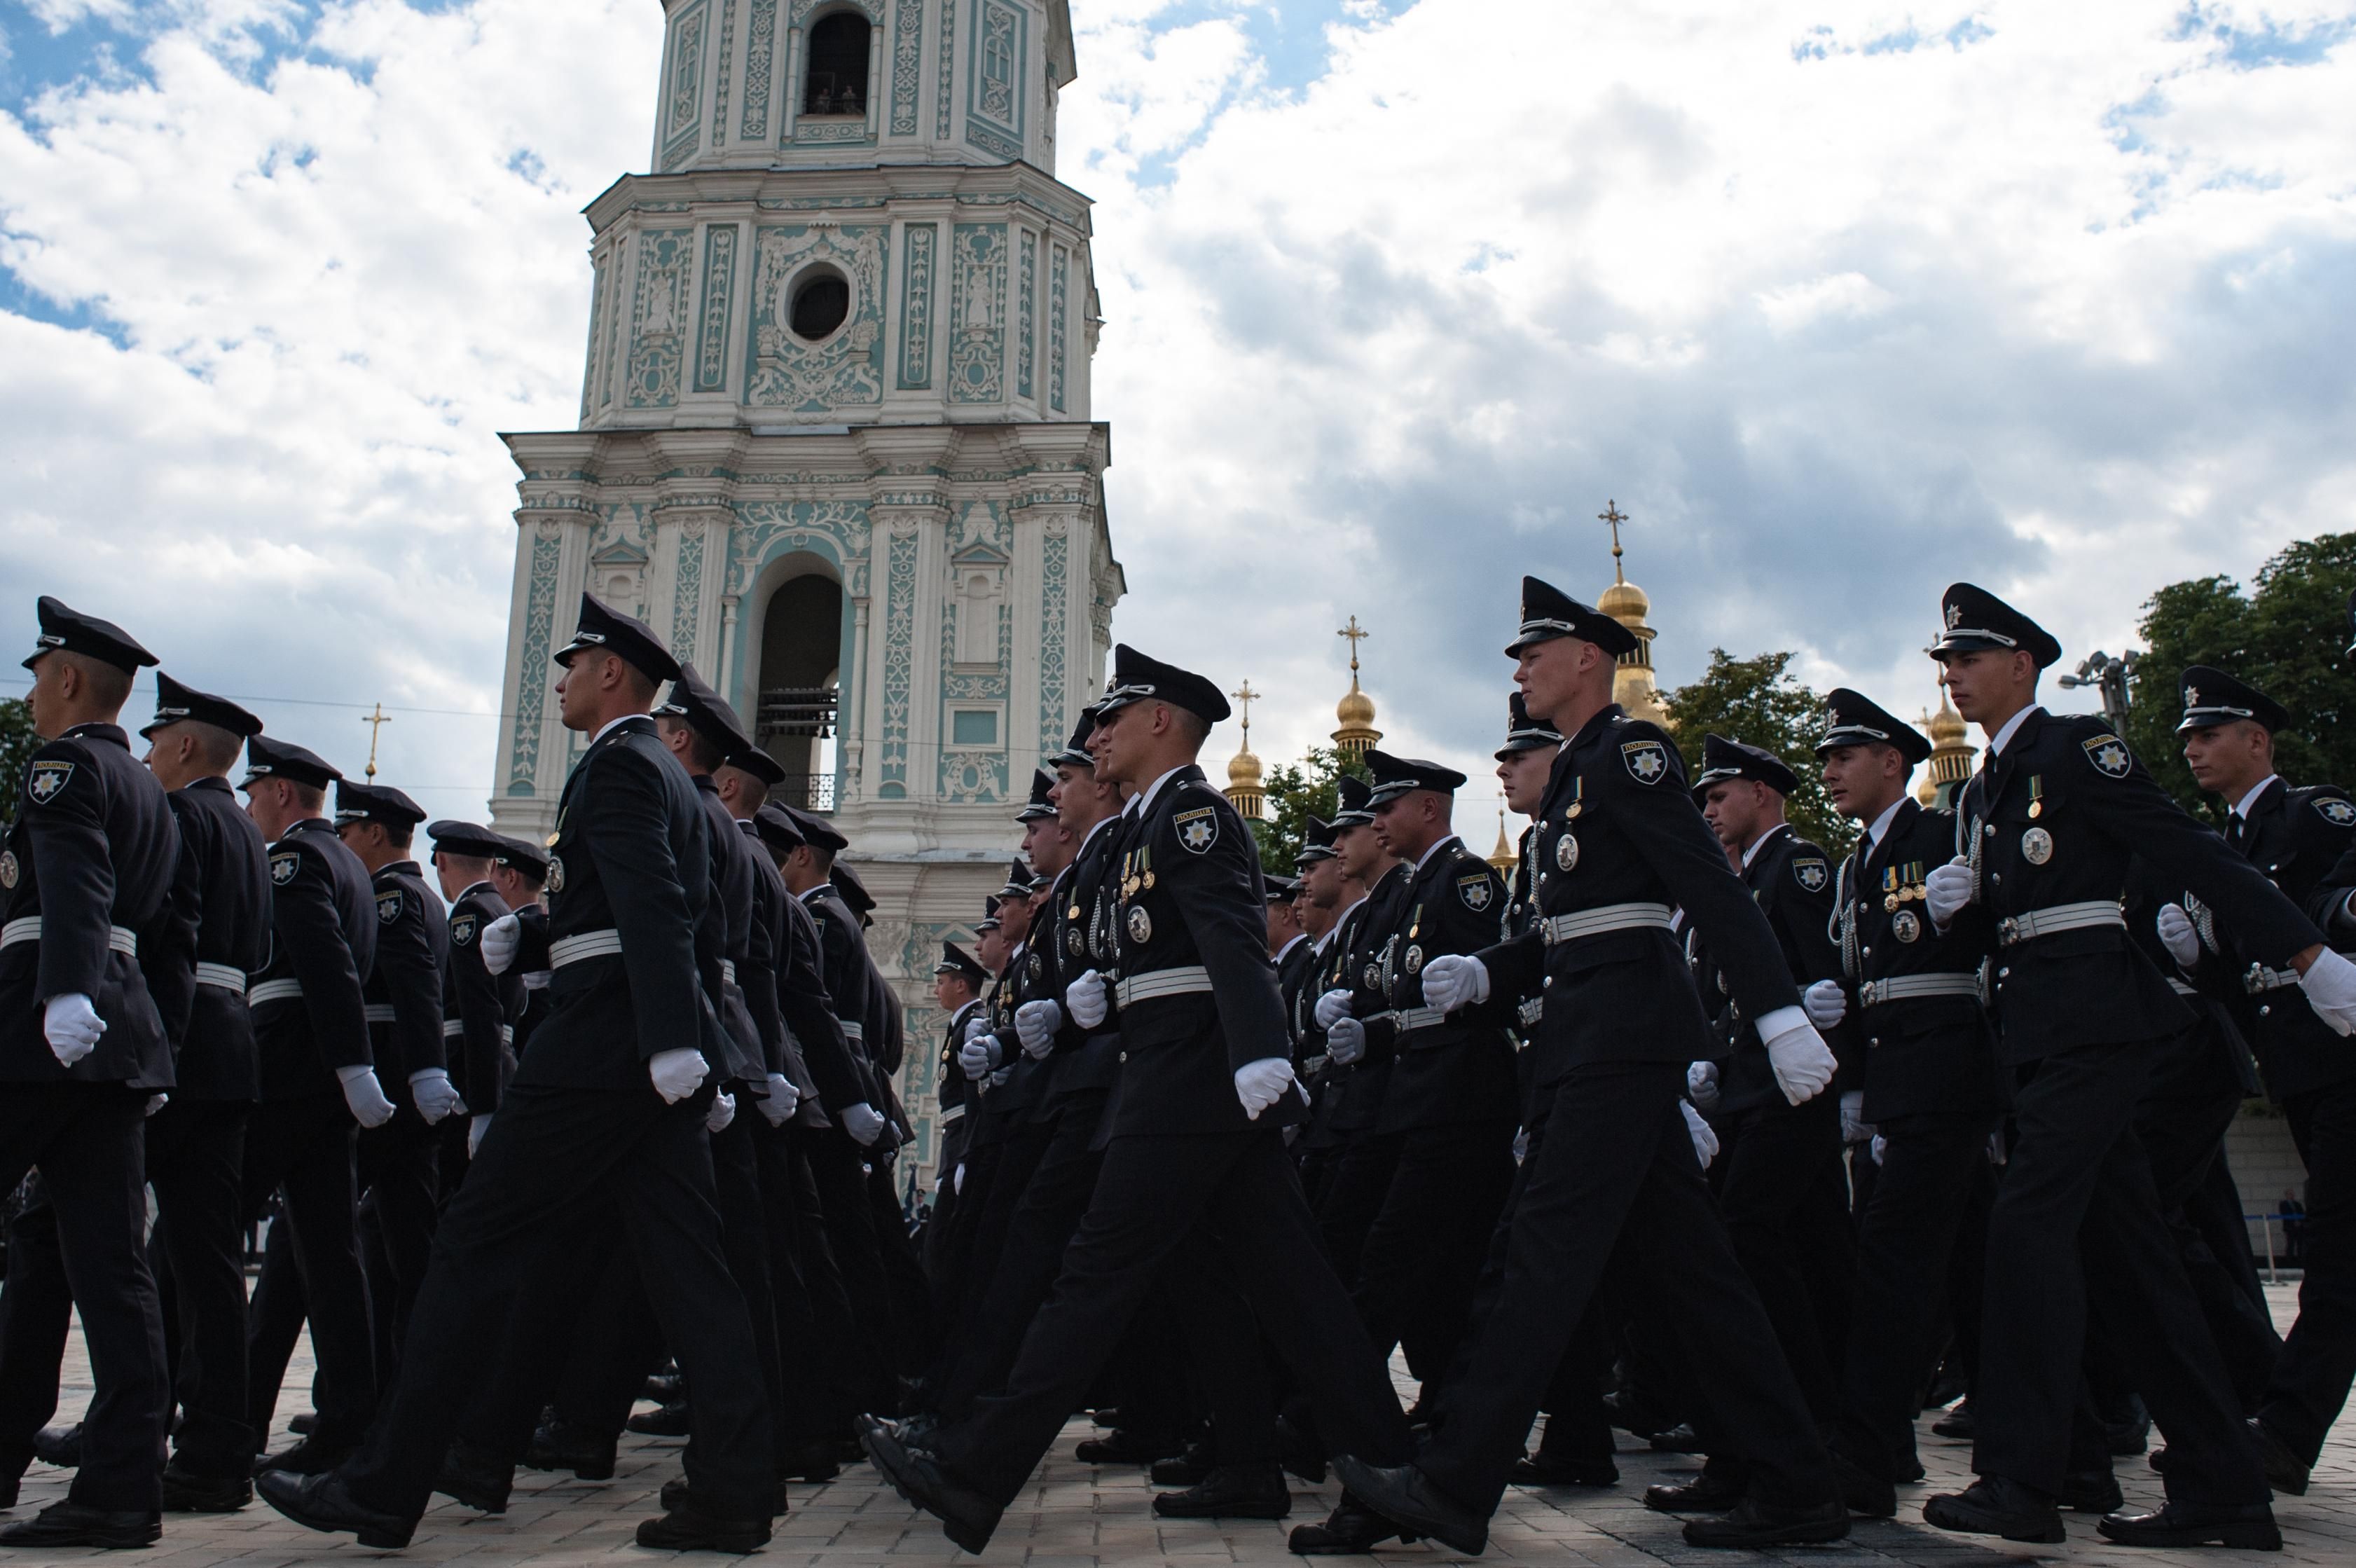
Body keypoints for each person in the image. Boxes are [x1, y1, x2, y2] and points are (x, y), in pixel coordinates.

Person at [857, 645, 1414, 1554]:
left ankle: (971, 1465)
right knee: (1291, 1292)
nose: (1099, 735)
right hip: (1171, 1080)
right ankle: (1348, 1468)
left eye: (1113, 719)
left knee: (1092, 1275)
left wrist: (1258, 1054)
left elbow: (1232, 942)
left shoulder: (1191, 815)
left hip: (1188, 1087)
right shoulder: (1142, 830)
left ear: (1161, 723)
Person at [1333, 577, 1849, 1553]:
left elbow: (1703, 884)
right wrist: (1482, 971)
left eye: (1532, 652)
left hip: (1619, 1035)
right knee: (1697, 1276)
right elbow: (1563, 926)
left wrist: (1780, 1014)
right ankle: (1792, 1478)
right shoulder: (1575, 774)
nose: (1519, 668)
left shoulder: (1631, 752)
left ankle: (1451, 1481)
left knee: (1533, 1256)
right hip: (1592, 1030)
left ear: (1585, 658)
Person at [256, 592, 776, 1553]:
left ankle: (384, 1482)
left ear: (611, 674)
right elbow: (681, 915)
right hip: (636, 1046)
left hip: (596, 1048)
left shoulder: (619, 768)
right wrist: (679, 1037)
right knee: (692, 1276)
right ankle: (734, 1486)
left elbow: (659, 908)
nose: (562, 679)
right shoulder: (663, 777)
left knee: (472, 1243)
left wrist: (672, 1039)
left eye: (573, 663)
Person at [1915, 583, 2356, 1550]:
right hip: (2041, 1031)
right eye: (1942, 665)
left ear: (2022, 664)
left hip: (2096, 1026)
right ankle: (2224, 1487)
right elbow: (2030, 902)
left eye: (1966, 659)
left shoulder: (2071, 747)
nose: (1950, 677)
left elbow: (2187, 850)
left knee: (2026, 1234)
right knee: (2135, 1264)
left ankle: (2020, 1480)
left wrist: (2307, 956)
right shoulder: (1988, 781)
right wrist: (1970, 900)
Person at [0, 599, 178, 1550]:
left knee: (107, 1267)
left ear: (68, 678)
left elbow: (70, 878)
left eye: (36, 674)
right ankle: (121, 1486)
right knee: (114, 1273)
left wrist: (64, 993)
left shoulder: (65, 765)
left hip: (43, 1023)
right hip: (117, 1041)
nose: (31, 692)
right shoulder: (148, 785)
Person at [1804, 689, 1999, 1510]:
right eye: (1826, 761)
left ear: (1894, 762)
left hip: (1949, 1076)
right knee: (1972, 1269)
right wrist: (1855, 1088)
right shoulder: (1857, 862)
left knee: (1893, 1267)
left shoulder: (1942, 834)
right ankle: (2079, 1452)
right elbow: (1863, 984)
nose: (1832, 773)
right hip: (1898, 1084)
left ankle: (1871, 1453)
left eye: (1845, 758)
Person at [2168, 665, 2356, 1496]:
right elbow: (2241, 977)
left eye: (2209, 734)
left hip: (2346, 1051)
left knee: (2340, 1256)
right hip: (2300, 1068)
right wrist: (2198, 956)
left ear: (2257, 742)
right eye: (2187, 738)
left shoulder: (2310, 814)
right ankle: (2276, 1416)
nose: (2193, 749)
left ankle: (2283, 1433)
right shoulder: (2225, 848)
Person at [1676, 733, 1859, 1492]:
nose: (1711, 811)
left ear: (1764, 794)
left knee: (1748, 1239)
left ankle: (1799, 1427)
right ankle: (1824, 1426)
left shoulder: (1799, 866)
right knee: (1815, 1255)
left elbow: (1830, 986)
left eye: (1721, 796)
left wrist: (1854, 1086)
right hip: (1749, 1091)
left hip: (1796, 1092)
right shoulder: (1745, 880)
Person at [235, 734, 386, 1472]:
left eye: (255, 790)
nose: (249, 803)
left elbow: (323, 968)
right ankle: (345, 1423)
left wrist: (353, 1063)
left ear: (284, 794)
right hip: (323, 1080)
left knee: (192, 1242)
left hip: (287, 1066)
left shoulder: (294, 859)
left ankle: (208, 1426)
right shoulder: (350, 868)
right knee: (331, 1261)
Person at [332, 780, 457, 1379]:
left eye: (347, 832)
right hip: (406, 1086)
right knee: (400, 1249)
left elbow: (411, 989)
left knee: (351, 1246)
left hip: (387, 1083)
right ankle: (396, 1389)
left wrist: (420, 1072)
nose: (341, 844)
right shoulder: (426, 897)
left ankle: (370, 1394)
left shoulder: (391, 897)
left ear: (375, 834)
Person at [421, 820, 524, 1178]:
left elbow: (480, 1011)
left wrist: (482, 1106)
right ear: (494, 866)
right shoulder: (505, 914)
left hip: (468, 1075)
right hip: (501, 1069)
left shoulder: (470, 914)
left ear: (443, 862)